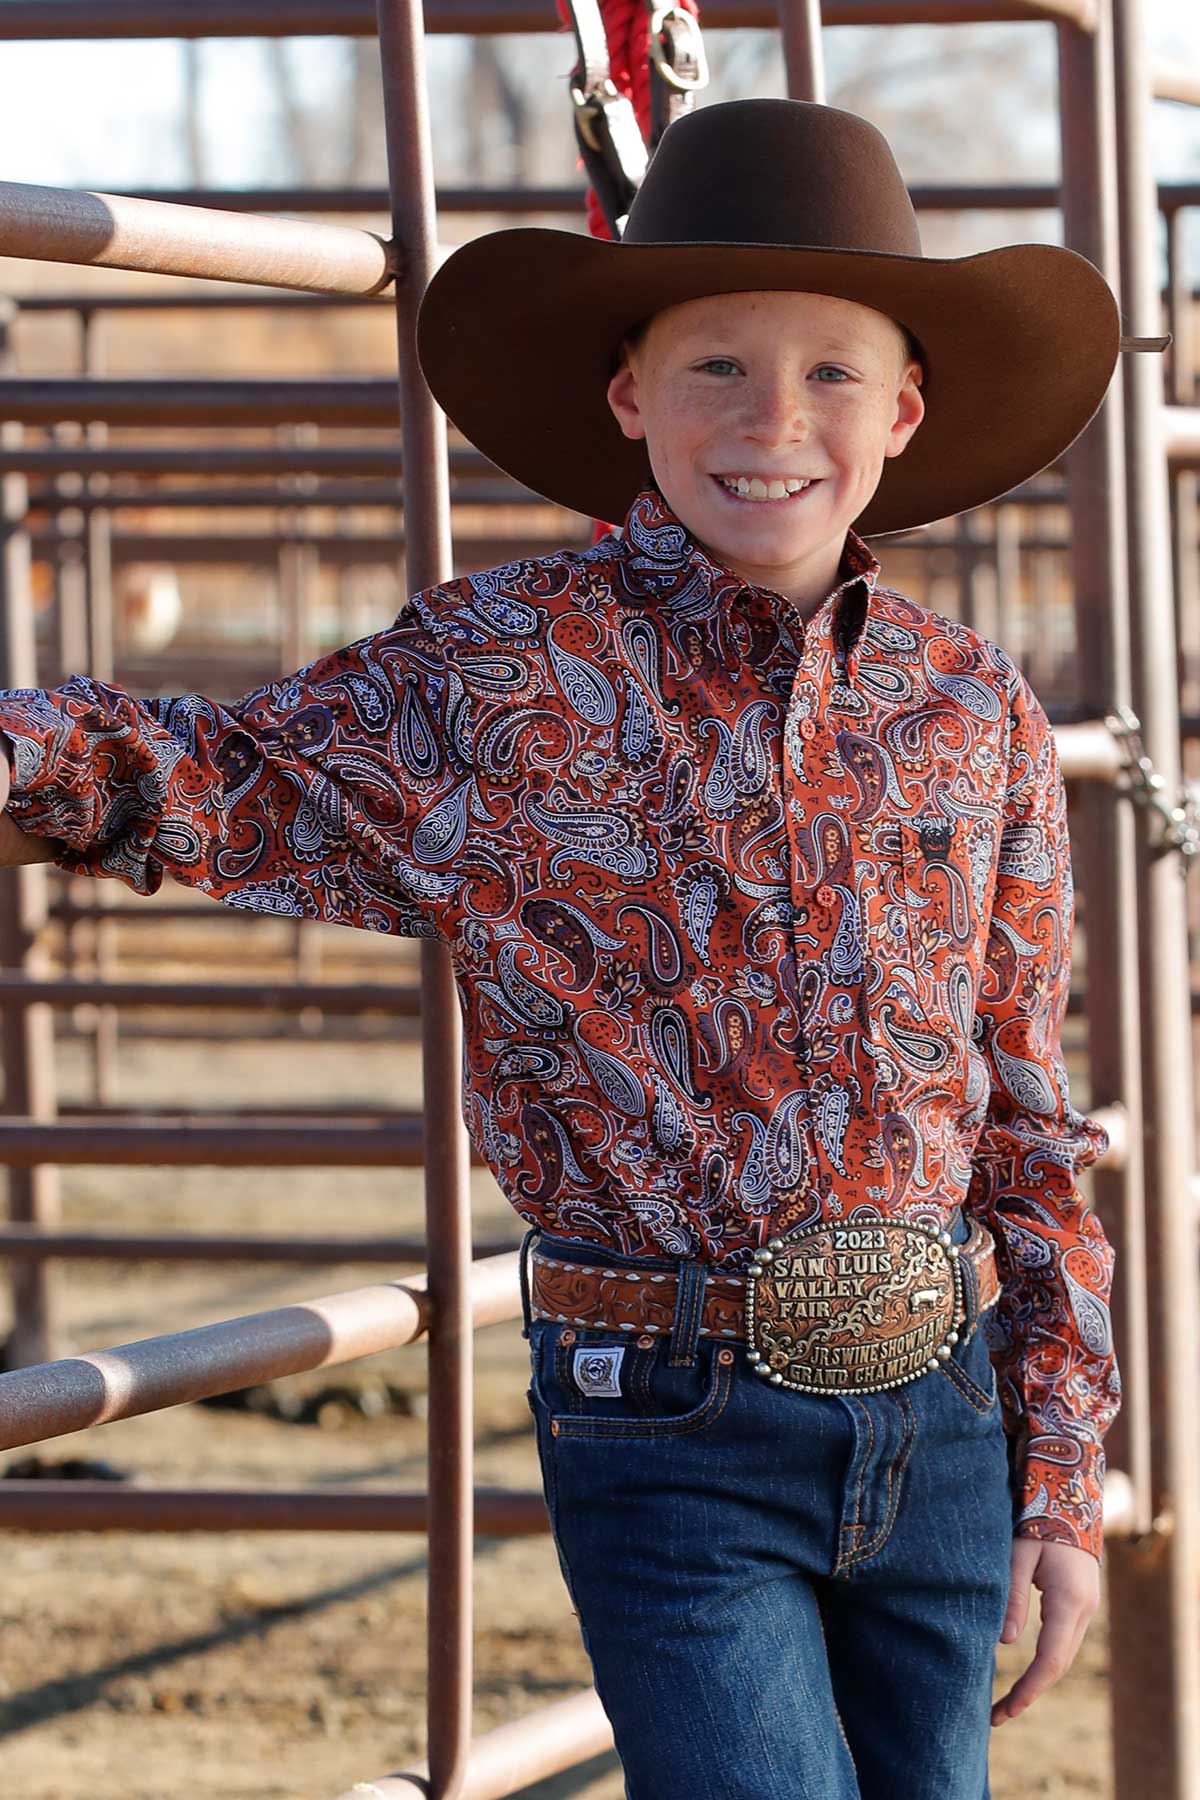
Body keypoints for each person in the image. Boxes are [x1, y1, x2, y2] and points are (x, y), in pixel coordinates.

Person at [0, 98, 1127, 1799]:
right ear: (628, 399)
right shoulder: (501, 677)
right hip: (669, 1415)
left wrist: (1060, 1482)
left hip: (942, 1411)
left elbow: (1030, 1118)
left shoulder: (975, 714)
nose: (773, 422)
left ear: (903, 411)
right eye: (715, 370)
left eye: (830, 374)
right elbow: (226, 776)